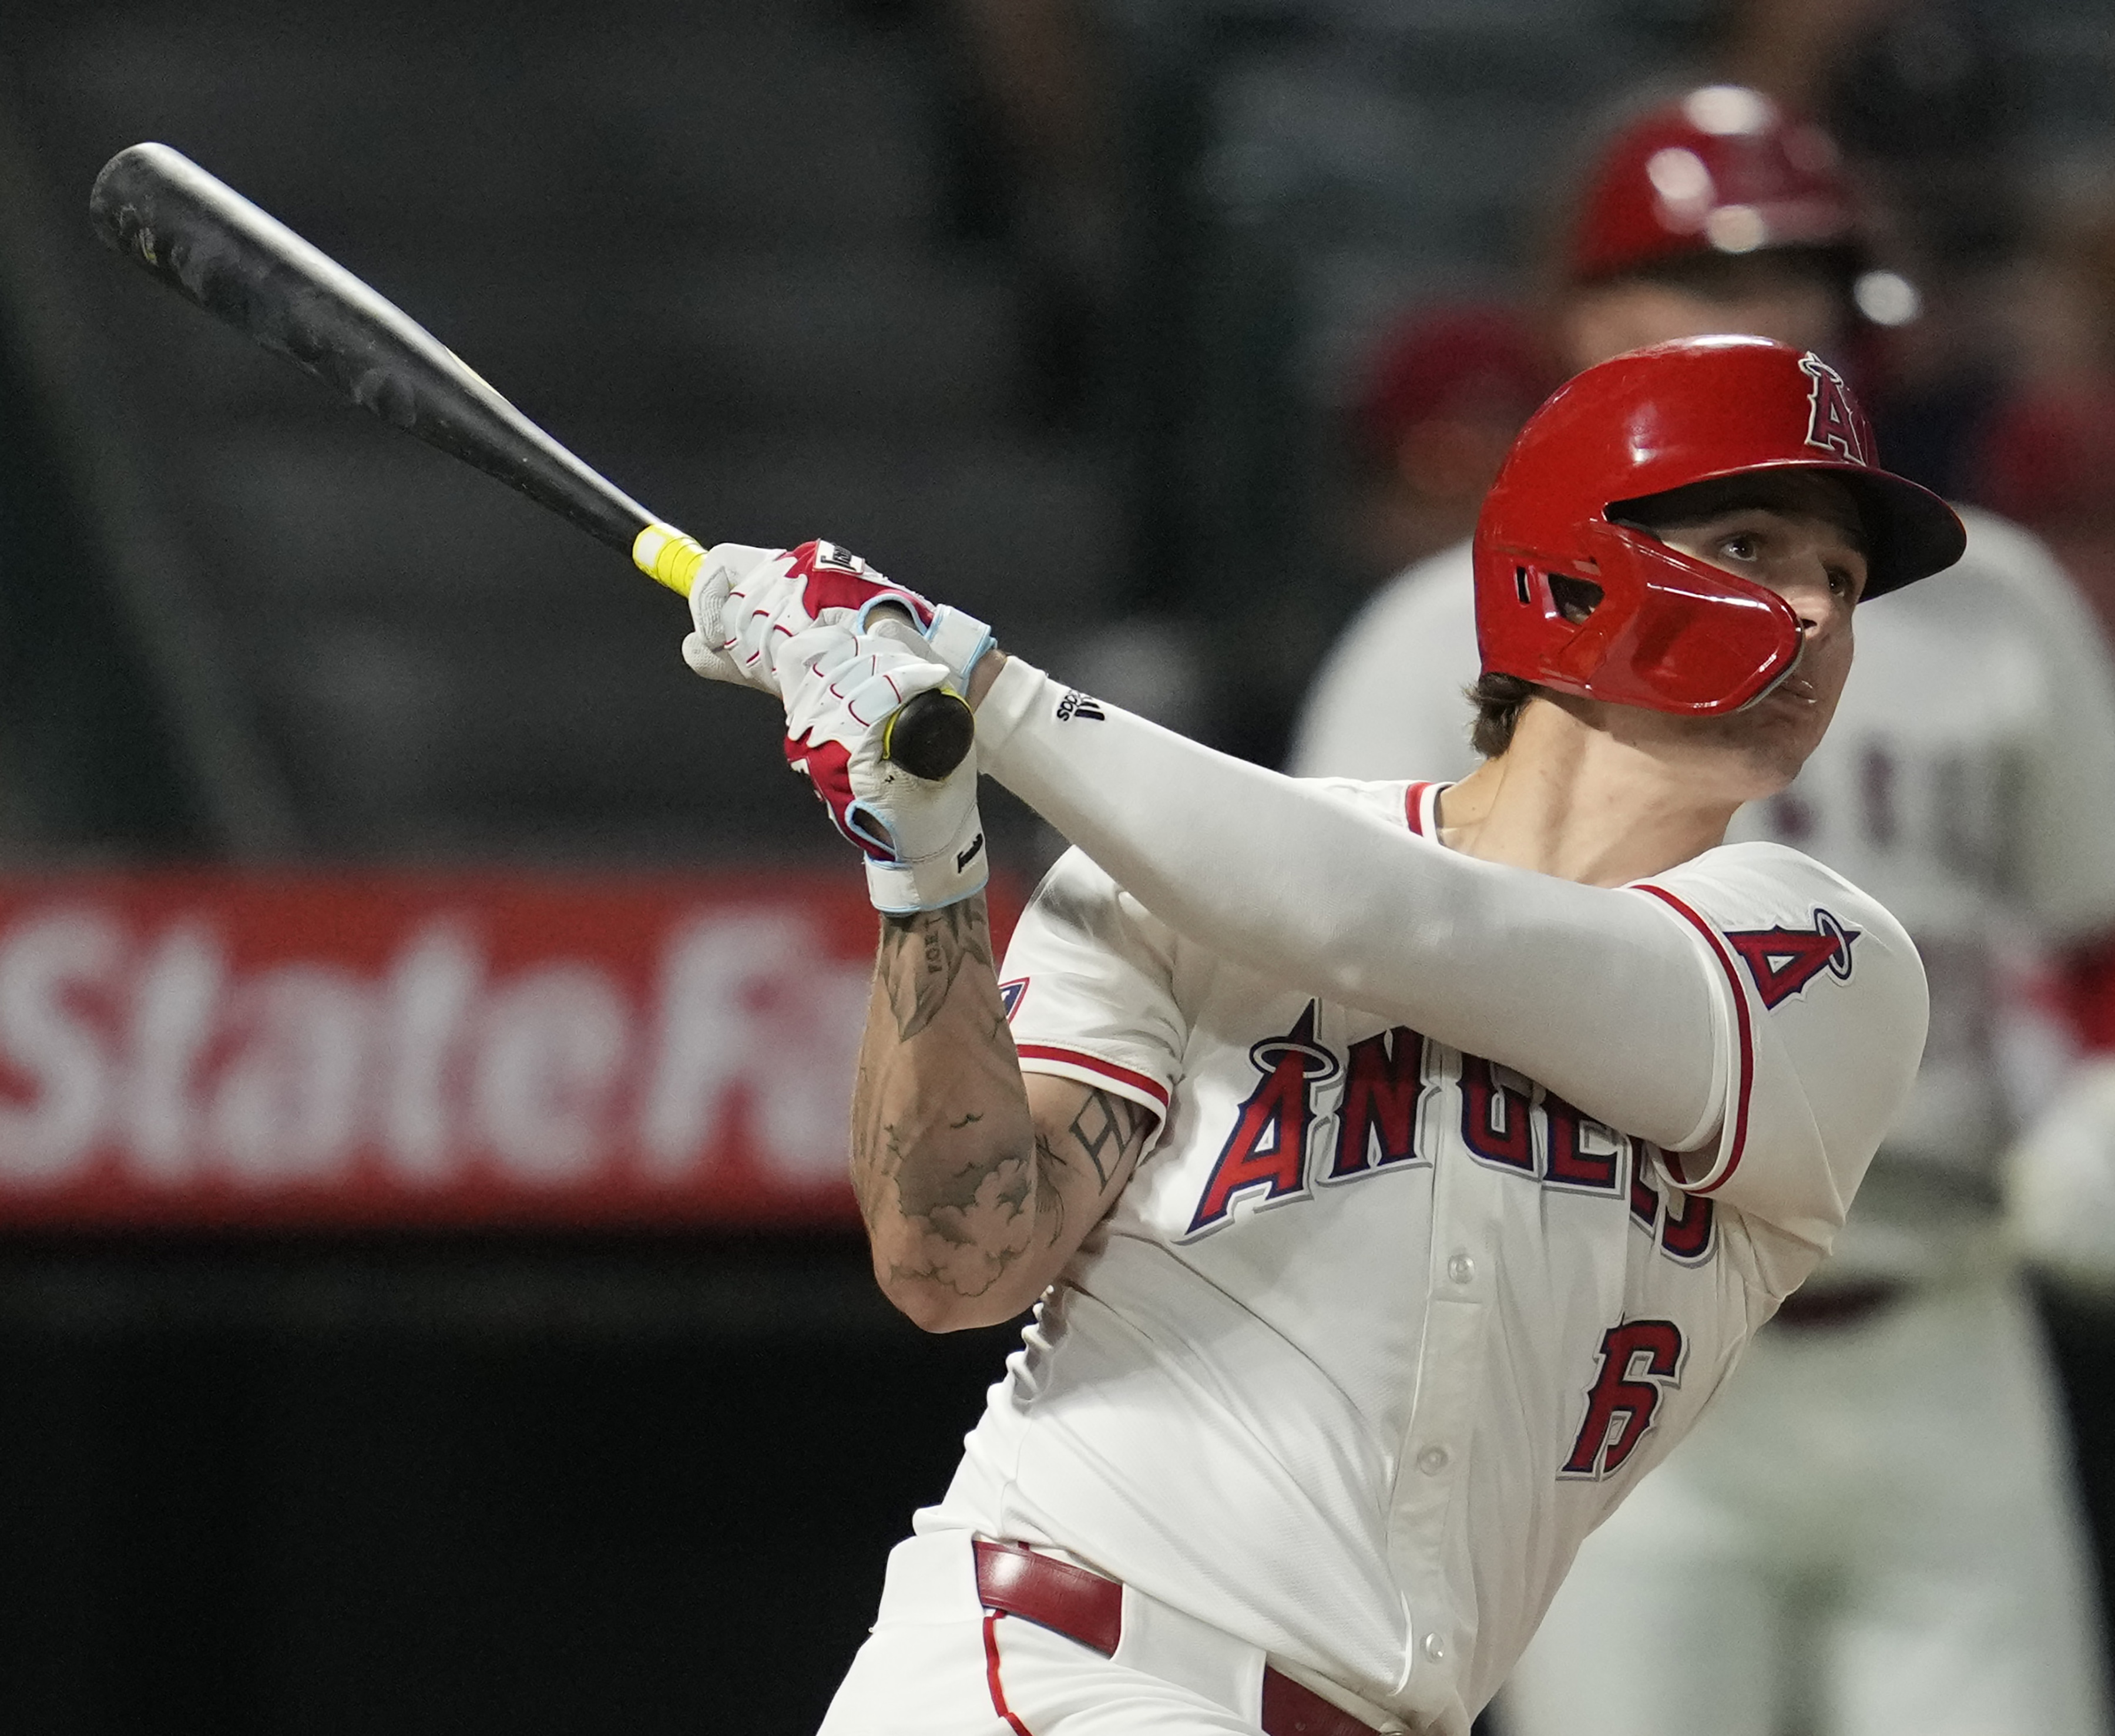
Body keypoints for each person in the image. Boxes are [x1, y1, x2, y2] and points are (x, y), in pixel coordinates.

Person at [679, 335, 1956, 1736]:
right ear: (1572, 564)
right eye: (1753, 542)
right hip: (1061, 1662)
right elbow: (956, 1260)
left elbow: (1417, 932)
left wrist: (982, 687)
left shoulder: (1827, 967)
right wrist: (924, 874)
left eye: (1842, 578)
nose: (1819, 613)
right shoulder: (1168, 881)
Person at [1294, 88, 2115, 1736]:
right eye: (1708, 276)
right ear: (1589, 317)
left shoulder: (1993, 601)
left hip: (1942, 1315)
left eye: (1803, 278)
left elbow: (2096, 939)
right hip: (1611, 1340)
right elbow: (1336, 995)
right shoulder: (1443, 622)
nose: (1770, 316)